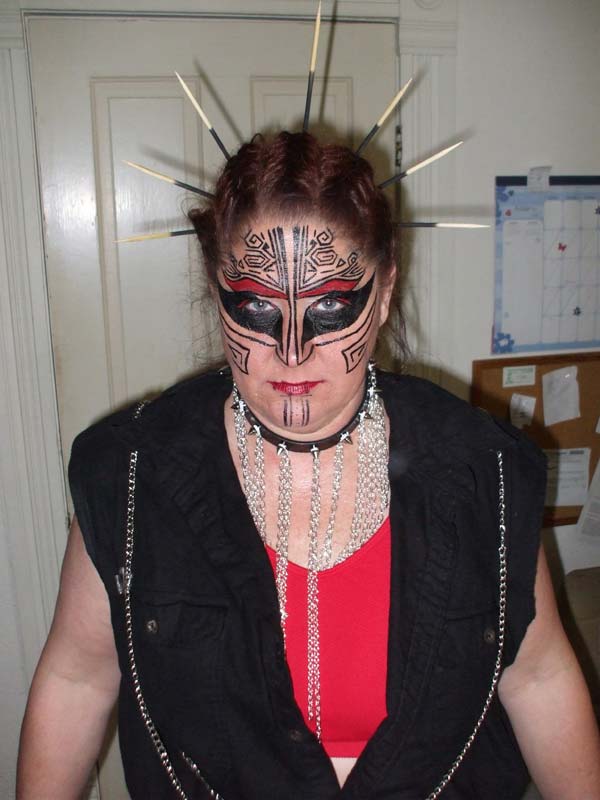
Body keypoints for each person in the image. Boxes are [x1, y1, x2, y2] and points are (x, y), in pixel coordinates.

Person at [17, 131, 600, 799]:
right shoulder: (128, 477)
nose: (292, 352)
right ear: (215, 291)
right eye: (255, 305)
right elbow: (77, 679)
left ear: (384, 292)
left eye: (330, 305)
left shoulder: (483, 471)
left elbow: (538, 675)